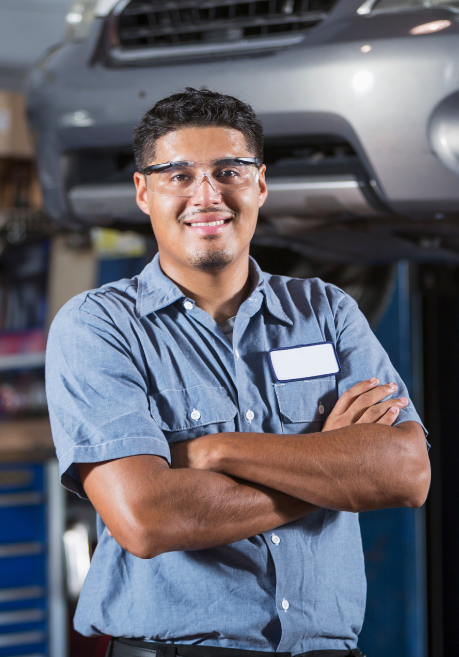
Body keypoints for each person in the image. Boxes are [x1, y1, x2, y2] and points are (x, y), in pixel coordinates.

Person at [45, 88, 431, 657]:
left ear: (260, 185)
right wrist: (332, 473)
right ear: (142, 192)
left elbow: (406, 474)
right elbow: (147, 519)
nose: (207, 195)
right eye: (178, 175)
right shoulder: (99, 328)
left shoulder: (326, 312)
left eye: (229, 171)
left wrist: (217, 450)